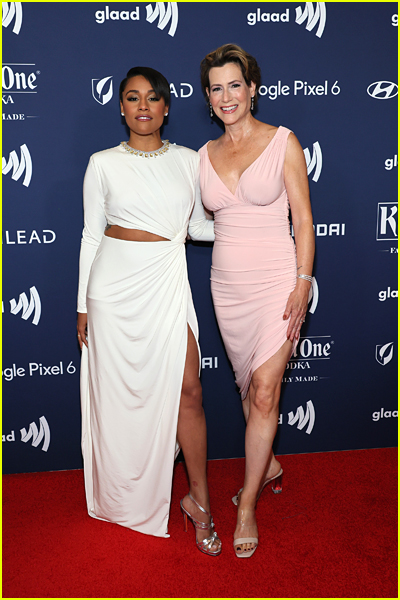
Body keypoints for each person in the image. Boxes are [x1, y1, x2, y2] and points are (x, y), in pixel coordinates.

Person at [77, 66, 221, 556]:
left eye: (152, 97)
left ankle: (199, 500)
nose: (143, 105)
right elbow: (91, 236)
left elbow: (199, 227)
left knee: (189, 389)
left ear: (166, 107)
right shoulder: (101, 164)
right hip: (112, 289)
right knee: (118, 400)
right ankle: (122, 497)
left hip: (165, 278)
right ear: (120, 107)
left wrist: (252, 229)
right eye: (132, 97)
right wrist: (82, 306)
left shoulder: (188, 161)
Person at [199, 44, 315, 558]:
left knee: (265, 390)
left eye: (235, 85)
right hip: (227, 287)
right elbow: (197, 222)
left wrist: (303, 280)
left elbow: (304, 219)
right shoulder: (203, 155)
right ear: (208, 97)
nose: (227, 96)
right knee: (249, 391)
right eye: (216, 88)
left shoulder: (283, 142)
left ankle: (246, 505)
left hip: (275, 282)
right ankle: (266, 464)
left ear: (252, 89)